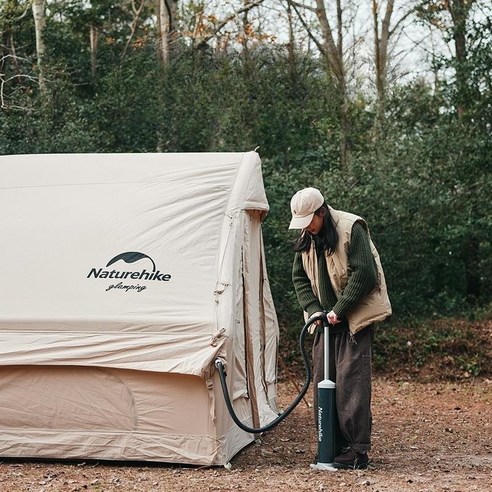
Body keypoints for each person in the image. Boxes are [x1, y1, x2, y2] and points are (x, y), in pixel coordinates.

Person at [289, 187, 392, 469]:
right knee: (324, 380)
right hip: (323, 323)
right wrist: (313, 311)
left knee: (351, 384)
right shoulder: (307, 235)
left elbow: (365, 274)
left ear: (322, 212)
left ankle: (357, 451)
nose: (307, 228)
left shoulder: (351, 227)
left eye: (310, 221)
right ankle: (330, 444)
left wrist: (339, 310)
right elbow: (299, 278)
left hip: (353, 320)